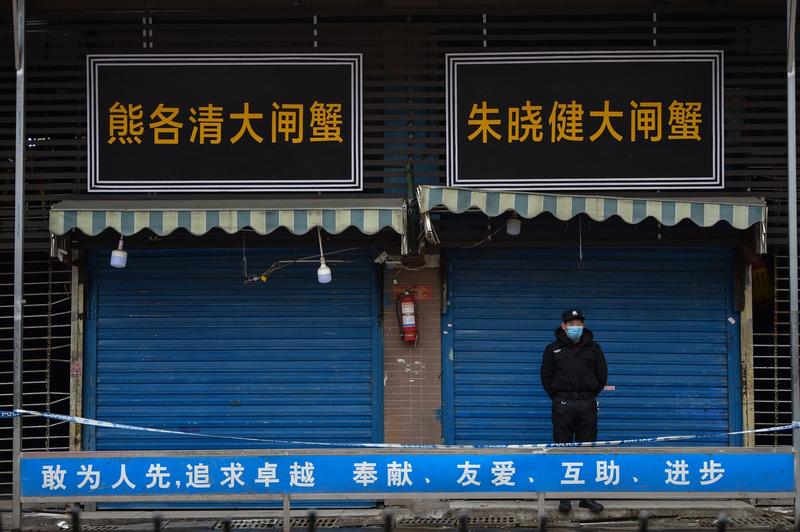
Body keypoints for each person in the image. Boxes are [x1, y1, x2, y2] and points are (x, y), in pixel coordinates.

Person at [540, 309, 608, 514]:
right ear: (563, 326)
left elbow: (602, 376)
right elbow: (546, 378)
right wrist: (559, 397)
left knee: (586, 451)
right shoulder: (552, 349)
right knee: (563, 449)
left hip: (586, 403)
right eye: (571, 324)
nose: (575, 327)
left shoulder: (594, 349)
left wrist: (588, 394)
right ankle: (564, 497)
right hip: (562, 404)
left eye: (578, 323)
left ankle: (586, 496)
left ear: (583, 325)